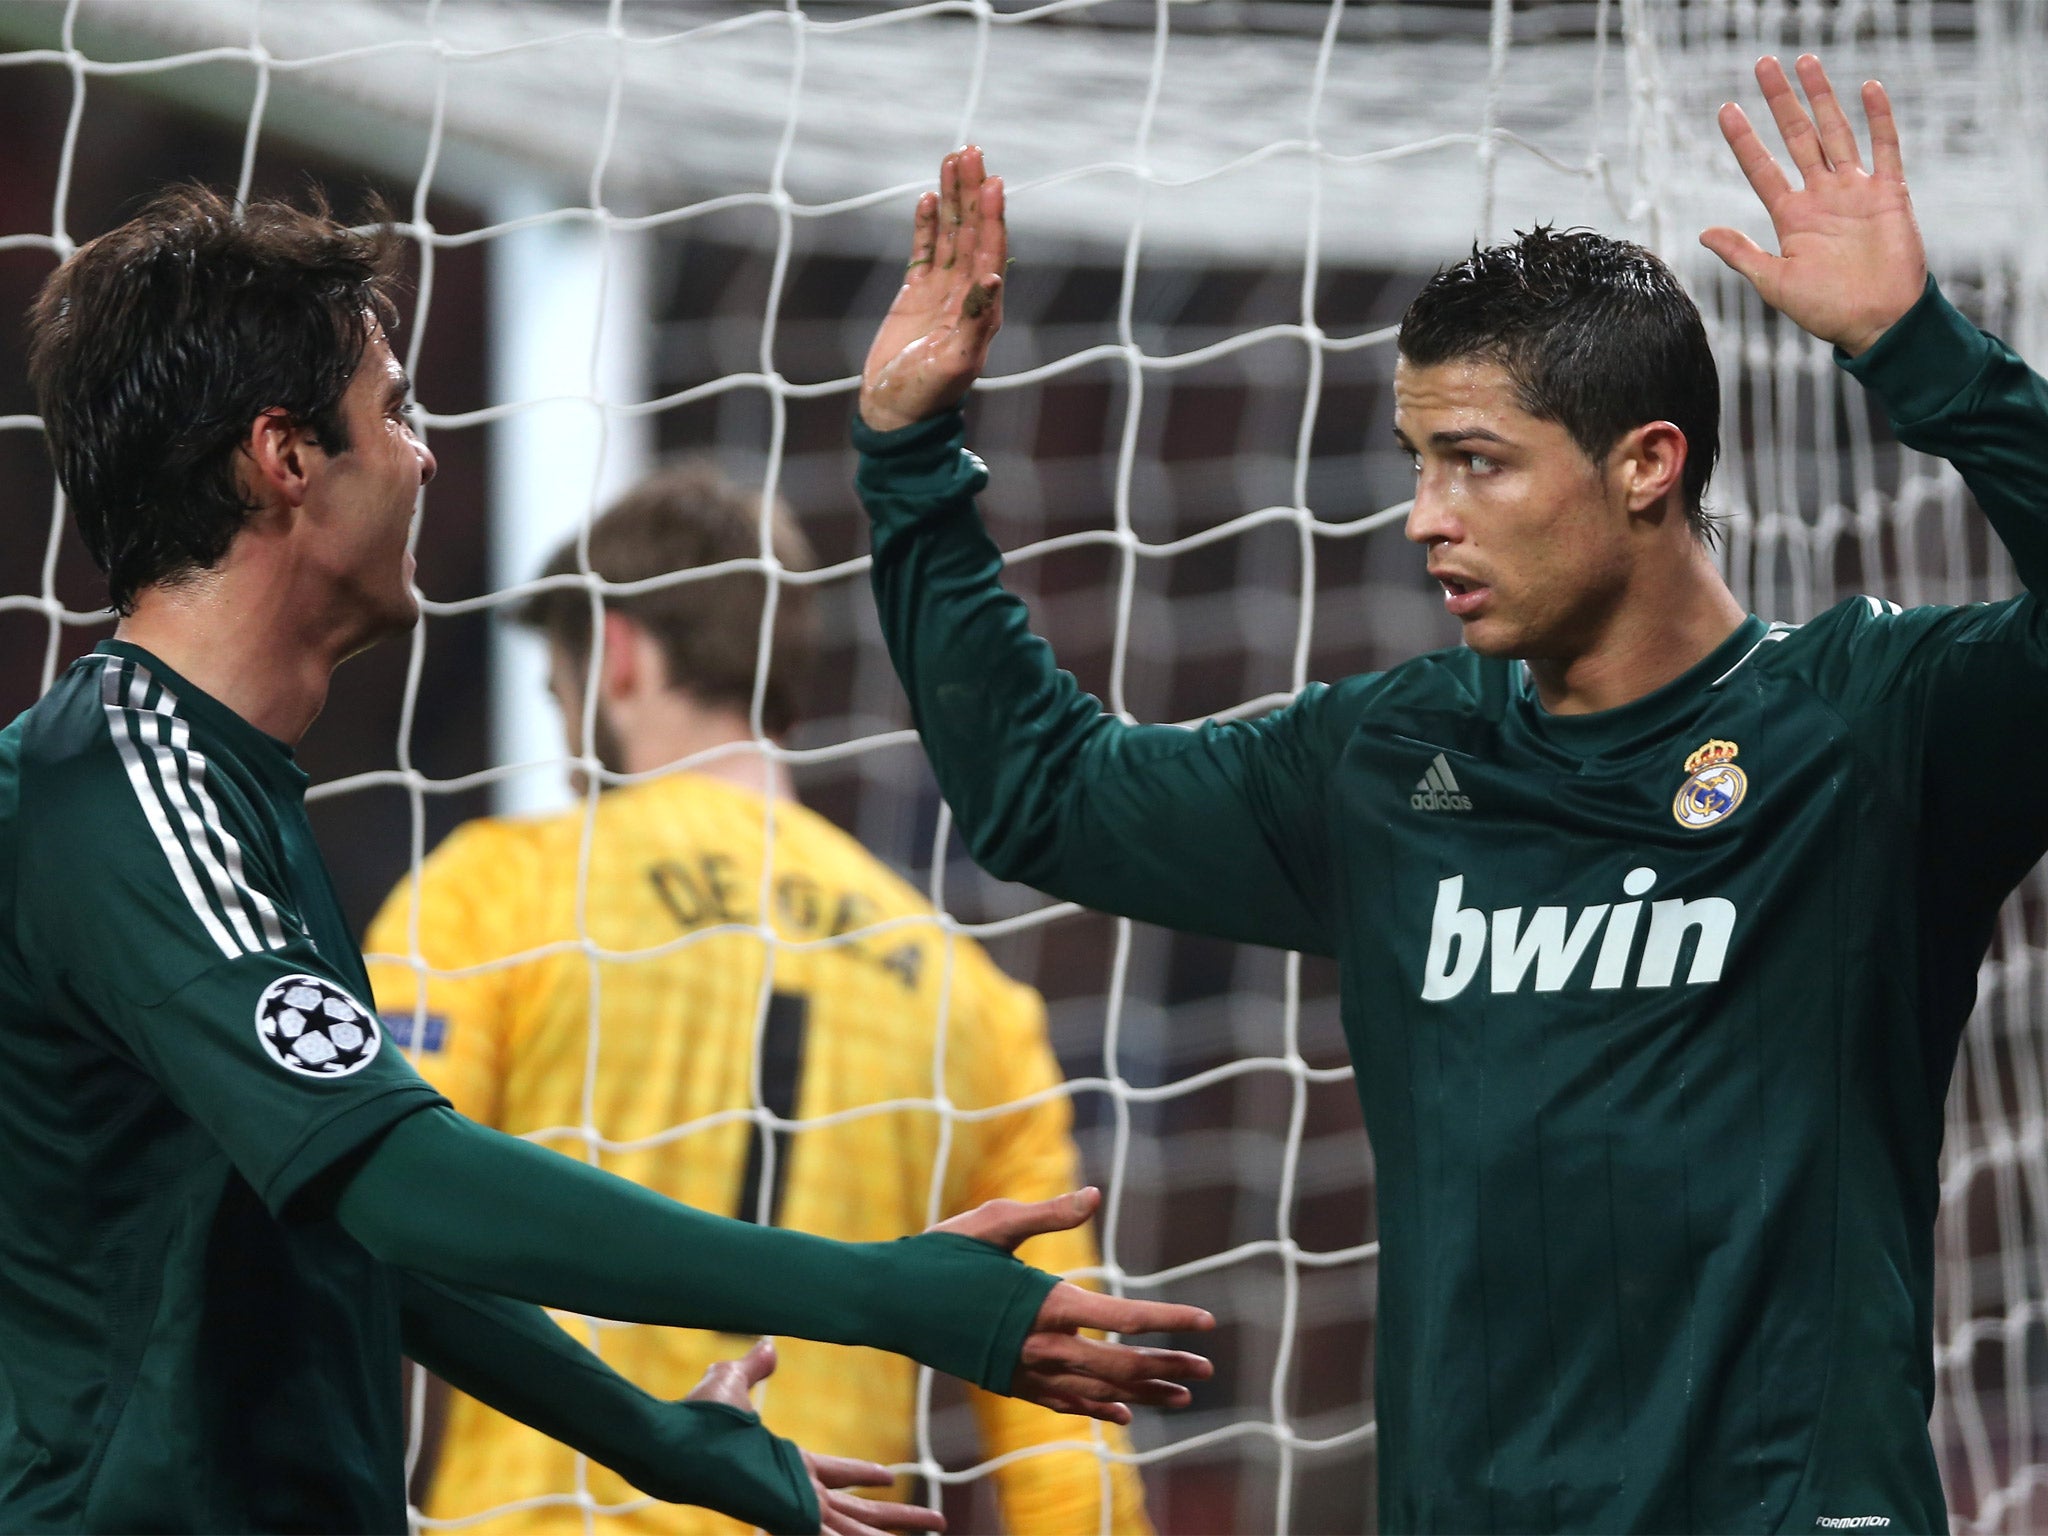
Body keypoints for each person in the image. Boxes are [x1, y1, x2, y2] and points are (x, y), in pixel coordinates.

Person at [851, 54, 2045, 1534]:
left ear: (1646, 466)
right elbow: (1047, 797)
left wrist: (1928, 357)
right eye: (1422, 461)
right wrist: (909, 457)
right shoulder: (1388, 763)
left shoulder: (1873, 732)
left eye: (1476, 463)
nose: (1426, 516)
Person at [0, 184, 1215, 1536]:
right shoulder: (121, 789)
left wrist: (666, 1443)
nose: (424, 457)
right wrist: (881, 1291)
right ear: (284, 456)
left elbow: (361, 1216)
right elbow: (402, 1184)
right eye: (395, 410)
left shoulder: (316, 828)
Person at [365, 462, 1152, 1535]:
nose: (562, 733)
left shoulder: (496, 891)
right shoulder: (971, 998)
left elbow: (371, 1220)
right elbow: (1065, 1397)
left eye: (560, 691)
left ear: (619, 656)